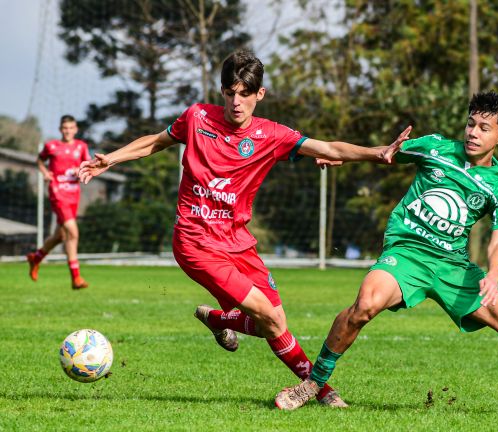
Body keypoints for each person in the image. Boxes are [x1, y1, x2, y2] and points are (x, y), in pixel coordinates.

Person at [78, 50, 411, 406]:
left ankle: (219, 319)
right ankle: (323, 392)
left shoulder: (271, 135)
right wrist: (110, 158)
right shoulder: (197, 117)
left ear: (260, 94)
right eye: (230, 93)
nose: (236, 102)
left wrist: (378, 153)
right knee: (268, 315)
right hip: (195, 242)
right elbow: (155, 142)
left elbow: (328, 147)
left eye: (245, 94)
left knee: (275, 321)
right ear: (221, 91)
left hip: (238, 242)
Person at [274, 92, 498, 419]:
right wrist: (345, 156)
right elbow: (383, 154)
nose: (473, 132)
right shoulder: (435, 148)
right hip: (408, 252)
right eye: (471, 123)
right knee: (366, 303)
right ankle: (314, 383)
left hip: (452, 266)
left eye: (484, 128)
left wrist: (494, 275)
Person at [27, 115, 91, 290]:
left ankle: (36, 257)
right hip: (58, 192)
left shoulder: (81, 147)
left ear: (75, 129)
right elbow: (40, 159)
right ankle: (76, 278)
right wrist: (45, 172)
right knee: (73, 232)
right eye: (65, 128)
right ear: (60, 129)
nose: (68, 131)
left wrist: (81, 171)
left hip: (73, 194)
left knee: (60, 236)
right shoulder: (52, 146)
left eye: (71, 128)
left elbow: (87, 164)